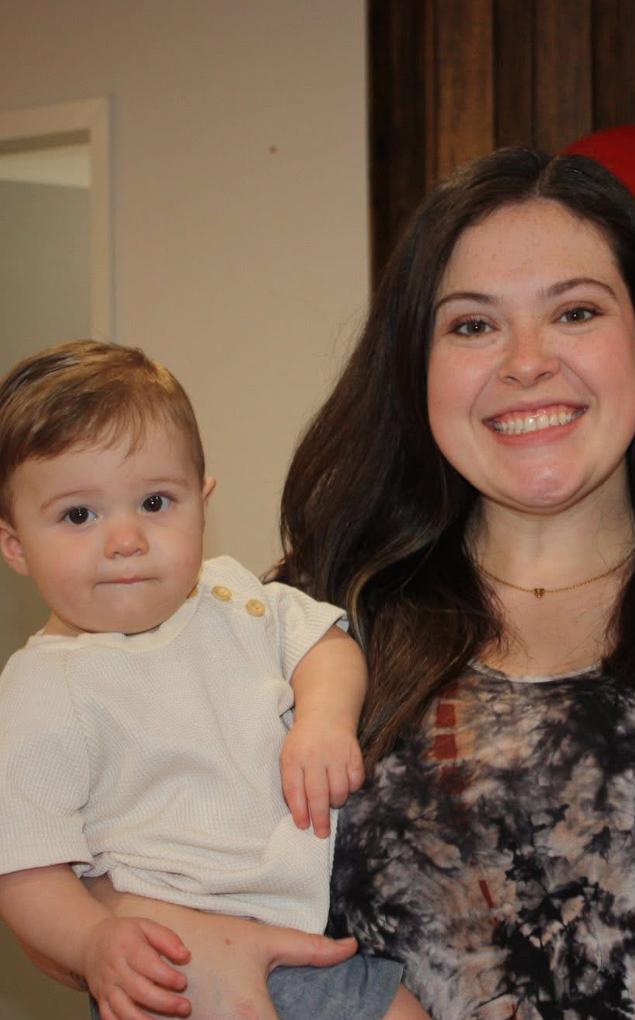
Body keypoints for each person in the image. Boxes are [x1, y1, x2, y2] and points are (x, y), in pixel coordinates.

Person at [16, 152, 635, 1019]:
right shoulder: (302, 627)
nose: (528, 364)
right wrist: (163, 942)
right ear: (417, 364)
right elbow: (71, 846)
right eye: (472, 326)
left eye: (575, 312)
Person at [0, 341, 427, 1020]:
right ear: (15, 544)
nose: (125, 539)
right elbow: (23, 867)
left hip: (308, 935)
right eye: (79, 515)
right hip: (176, 963)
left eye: (155, 502)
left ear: (202, 503)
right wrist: (93, 942)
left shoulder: (231, 595)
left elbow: (324, 641)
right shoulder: (43, 689)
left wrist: (323, 719)